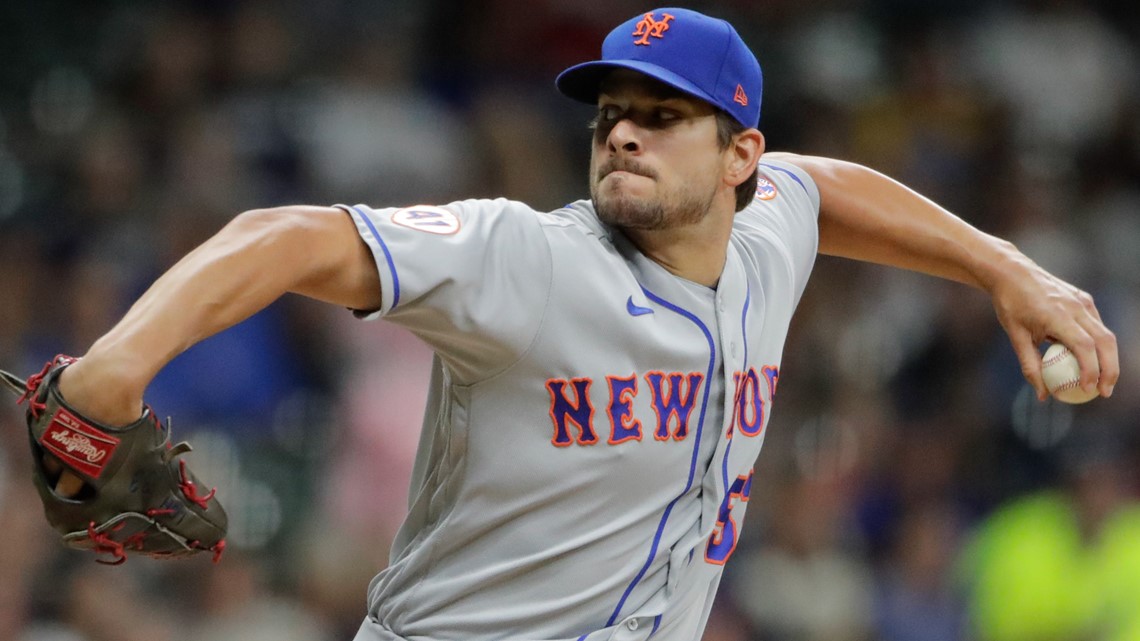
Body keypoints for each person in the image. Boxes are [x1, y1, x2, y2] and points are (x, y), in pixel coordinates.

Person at [45, 7, 1117, 641]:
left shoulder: (766, 239)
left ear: (738, 157)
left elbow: (823, 187)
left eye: (662, 117)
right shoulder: (527, 257)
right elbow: (285, 233)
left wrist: (1004, 266)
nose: (624, 138)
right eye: (611, 117)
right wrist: (111, 374)